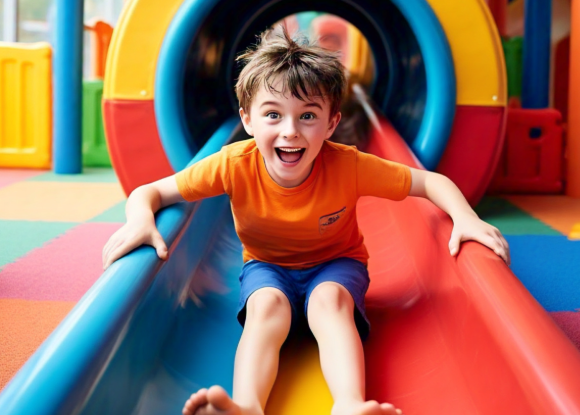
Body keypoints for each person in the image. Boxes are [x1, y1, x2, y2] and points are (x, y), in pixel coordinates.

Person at [102, 27, 510, 415]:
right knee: (265, 307)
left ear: (332, 122)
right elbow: (150, 192)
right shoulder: (232, 165)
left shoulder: (347, 165)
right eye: (273, 115)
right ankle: (248, 406)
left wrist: (465, 218)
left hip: (335, 264)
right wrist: (139, 221)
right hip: (267, 267)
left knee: (328, 302)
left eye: (308, 116)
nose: (291, 132)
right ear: (247, 120)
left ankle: (348, 403)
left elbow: (428, 181)